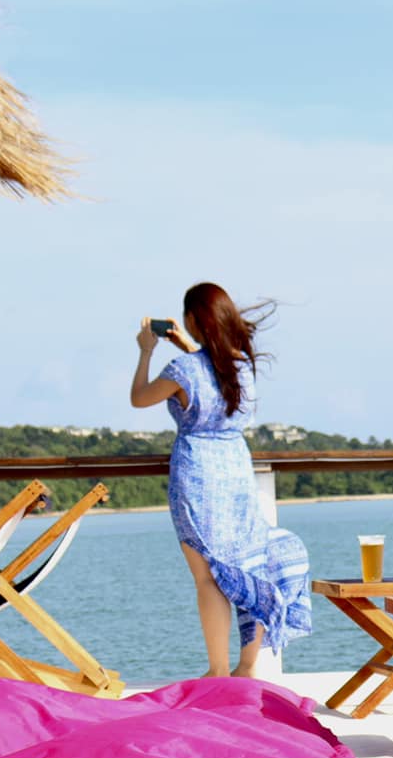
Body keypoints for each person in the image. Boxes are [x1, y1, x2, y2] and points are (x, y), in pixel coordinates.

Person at [130, 282, 312, 677]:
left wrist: (147, 350)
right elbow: (213, 373)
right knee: (247, 563)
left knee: (207, 575)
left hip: (198, 473)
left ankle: (216, 669)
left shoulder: (184, 369)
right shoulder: (241, 366)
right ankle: (247, 666)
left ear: (194, 320)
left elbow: (140, 397)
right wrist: (187, 344)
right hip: (236, 470)